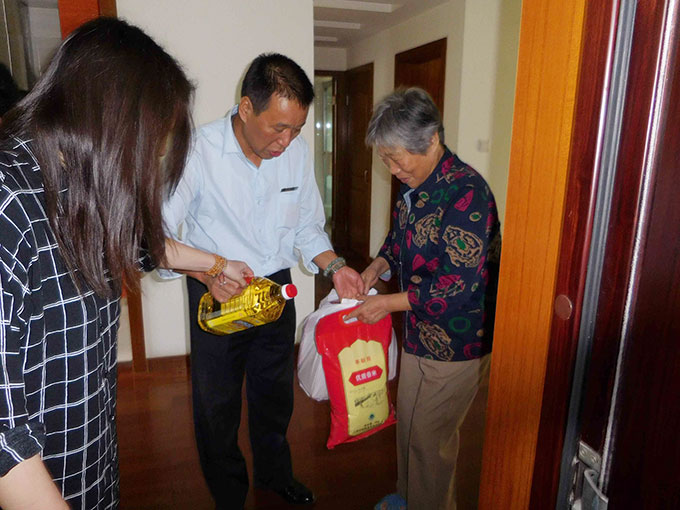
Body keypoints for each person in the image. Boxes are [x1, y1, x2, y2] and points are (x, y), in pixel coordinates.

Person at [0, 17, 252, 510]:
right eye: (149, 145)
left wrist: (212, 264)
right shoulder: (10, 202)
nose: (148, 164)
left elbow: (139, 243)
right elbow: (5, 442)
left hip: (92, 463)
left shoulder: (79, 182)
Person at [162, 52, 364, 508]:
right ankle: (230, 496)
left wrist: (336, 267)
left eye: (297, 129)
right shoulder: (196, 150)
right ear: (247, 107)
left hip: (275, 289)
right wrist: (207, 272)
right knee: (217, 407)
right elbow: (156, 236)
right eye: (279, 128)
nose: (287, 141)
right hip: (216, 291)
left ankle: (275, 475)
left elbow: (307, 228)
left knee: (275, 396)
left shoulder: (295, 154)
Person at [345, 87, 501, 510]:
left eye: (398, 159)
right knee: (409, 427)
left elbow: (457, 285)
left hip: (457, 340)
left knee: (431, 440)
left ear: (432, 140)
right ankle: (407, 499)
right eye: (386, 160)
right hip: (418, 330)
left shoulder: (468, 194)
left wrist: (385, 303)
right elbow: (398, 240)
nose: (393, 170)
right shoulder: (416, 185)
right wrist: (376, 267)